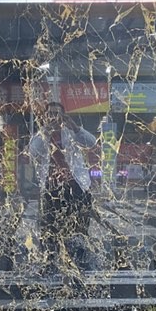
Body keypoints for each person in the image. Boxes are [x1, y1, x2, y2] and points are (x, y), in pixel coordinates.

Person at [28, 102, 97, 262]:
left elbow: (92, 143)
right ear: (45, 116)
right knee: (50, 226)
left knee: (79, 224)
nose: (53, 117)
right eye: (50, 114)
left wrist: (75, 127)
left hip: (76, 185)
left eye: (57, 113)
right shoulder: (41, 134)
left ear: (63, 115)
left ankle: (80, 258)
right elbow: (33, 151)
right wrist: (45, 131)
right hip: (52, 188)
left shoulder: (71, 132)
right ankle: (51, 259)